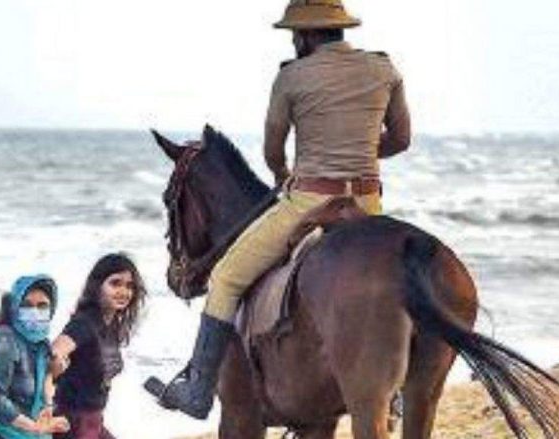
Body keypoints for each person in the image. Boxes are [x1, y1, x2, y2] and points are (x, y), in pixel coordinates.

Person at [148, 0, 411, 419]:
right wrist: (356, 152)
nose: (293, 40)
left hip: (308, 201)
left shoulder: (291, 76)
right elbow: (401, 139)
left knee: (226, 278)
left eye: (295, 34)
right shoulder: (384, 69)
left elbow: (273, 151)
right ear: (339, 29)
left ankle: (198, 392)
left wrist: (286, 173)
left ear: (304, 35)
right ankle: (393, 391)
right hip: (367, 206)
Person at [0, 274, 69, 438]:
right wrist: (36, 428)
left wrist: (48, 407)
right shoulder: (4, 341)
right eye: (27, 305)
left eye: (42, 306)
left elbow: (46, 377)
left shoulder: (40, 343)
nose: (35, 312)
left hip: (14, 429)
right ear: (14, 307)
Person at [49, 253, 148, 439]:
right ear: (97, 287)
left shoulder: (110, 324)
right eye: (115, 283)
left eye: (129, 286)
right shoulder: (85, 323)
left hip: (93, 422)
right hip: (74, 424)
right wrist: (55, 366)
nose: (124, 291)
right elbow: (53, 353)